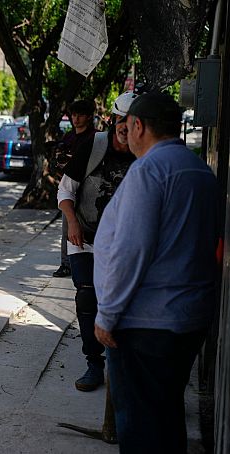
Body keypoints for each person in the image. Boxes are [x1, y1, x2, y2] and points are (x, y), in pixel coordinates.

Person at [93, 92, 218, 452]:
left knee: (140, 427)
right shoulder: (199, 171)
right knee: (164, 417)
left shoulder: (148, 171)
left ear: (138, 126)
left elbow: (131, 250)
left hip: (146, 323)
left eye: (127, 126)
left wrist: (107, 314)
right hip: (186, 318)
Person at [56, 91, 137, 392]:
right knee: (87, 297)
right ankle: (94, 363)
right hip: (85, 238)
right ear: (113, 120)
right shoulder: (94, 145)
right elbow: (65, 191)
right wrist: (72, 222)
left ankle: (121, 365)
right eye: (121, 121)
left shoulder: (144, 153)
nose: (125, 129)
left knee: (119, 302)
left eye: (132, 122)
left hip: (123, 245)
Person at [52, 99, 97, 278]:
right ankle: (66, 263)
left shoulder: (95, 139)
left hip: (91, 191)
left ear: (89, 117)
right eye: (73, 115)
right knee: (67, 228)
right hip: (70, 189)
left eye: (80, 115)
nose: (76, 119)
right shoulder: (69, 137)